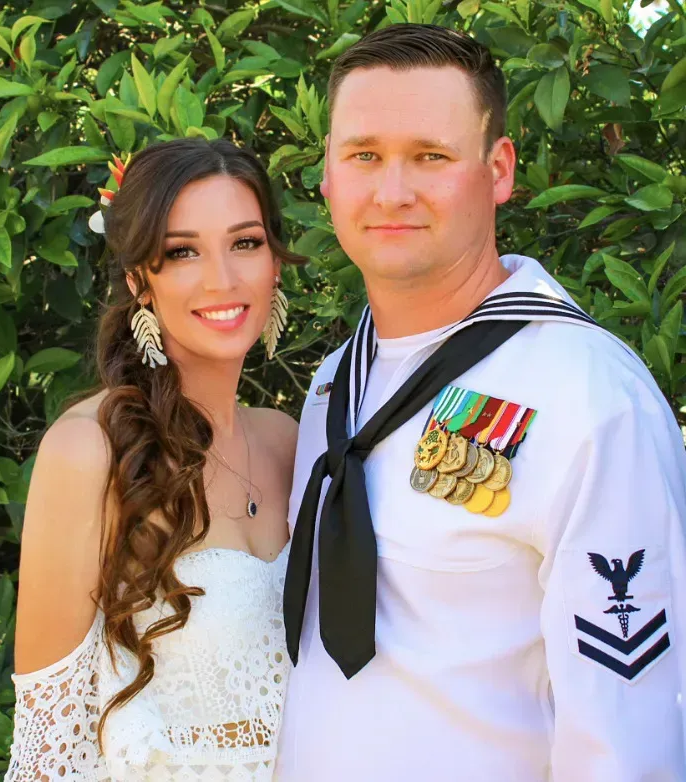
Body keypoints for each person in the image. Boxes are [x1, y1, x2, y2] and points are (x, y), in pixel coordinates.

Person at [278, 23, 686, 781]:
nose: (391, 191)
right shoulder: (334, 383)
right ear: (327, 176)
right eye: (363, 155)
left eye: (430, 156)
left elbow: (629, 741)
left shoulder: (588, 398)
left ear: (498, 170)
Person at [5, 138, 303, 781]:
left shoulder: (289, 442)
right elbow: (47, 747)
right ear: (140, 277)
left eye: (245, 243)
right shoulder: (91, 449)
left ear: (276, 260)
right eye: (183, 252)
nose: (222, 278)